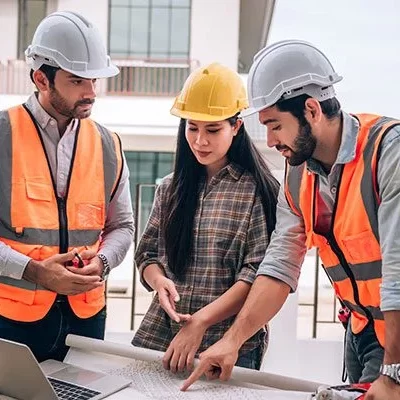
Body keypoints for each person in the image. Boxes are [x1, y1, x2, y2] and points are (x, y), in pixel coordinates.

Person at [181, 40, 400, 400]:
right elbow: (279, 267)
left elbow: (397, 273)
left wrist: (394, 372)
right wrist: (232, 341)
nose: (269, 140)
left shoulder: (387, 153)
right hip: (362, 332)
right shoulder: (298, 176)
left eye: (275, 125)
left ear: (311, 109)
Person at [0, 11, 134, 362]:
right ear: (42, 79)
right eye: (77, 81)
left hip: (87, 319)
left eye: (94, 80)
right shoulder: (1, 136)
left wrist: (103, 262)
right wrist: (34, 271)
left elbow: (122, 227)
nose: (91, 93)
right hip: (10, 321)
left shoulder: (109, 144)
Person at [132, 63, 279, 373]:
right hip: (163, 336)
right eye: (192, 127)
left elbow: (256, 276)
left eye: (213, 130)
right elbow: (146, 254)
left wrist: (200, 321)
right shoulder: (171, 188)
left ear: (236, 127)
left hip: (226, 344)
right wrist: (159, 283)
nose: (200, 141)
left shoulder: (257, 192)